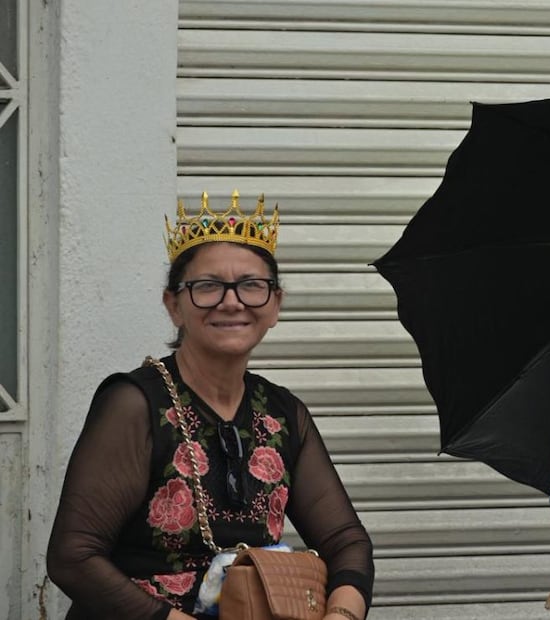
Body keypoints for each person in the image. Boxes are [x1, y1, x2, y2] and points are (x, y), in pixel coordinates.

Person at [47, 191, 374, 620]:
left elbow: (346, 541)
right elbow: (74, 556)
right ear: (173, 305)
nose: (232, 301)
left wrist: (342, 615)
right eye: (208, 286)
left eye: (252, 286)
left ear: (275, 305)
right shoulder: (135, 404)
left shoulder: (282, 413)